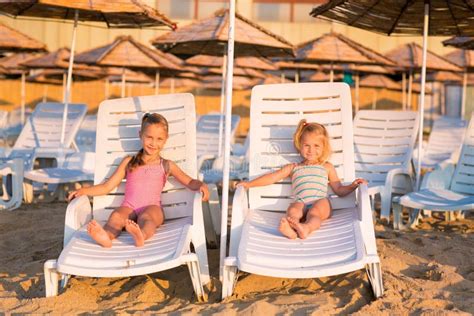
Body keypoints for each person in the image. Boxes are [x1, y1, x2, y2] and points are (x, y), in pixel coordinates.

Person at [68, 113, 209, 248]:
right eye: (149, 137)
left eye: (159, 139)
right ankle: (107, 236)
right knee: (117, 215)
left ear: (166, 139)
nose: (153, 143)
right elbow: (107, 186)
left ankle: (141, 234)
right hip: (129, 206)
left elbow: (189, 182)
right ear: (140, 135)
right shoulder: (129, 161)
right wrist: (83, 191)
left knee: (147, 218)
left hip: (153, 207)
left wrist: (201, 185)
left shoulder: (166, 164)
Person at [238, 119, 366, 240]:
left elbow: (339, 189)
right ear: (300, 145)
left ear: (323, 147)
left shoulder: (327, 167)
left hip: (321, 202)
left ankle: (306, 228)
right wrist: (249, 184)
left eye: (316, 146)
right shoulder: (294, 167)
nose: (311, 150)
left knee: (315, 212)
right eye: (306, 145)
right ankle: (292, 231)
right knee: (293, 210)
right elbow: (272, 177)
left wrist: (353, 186)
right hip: (301, 201)